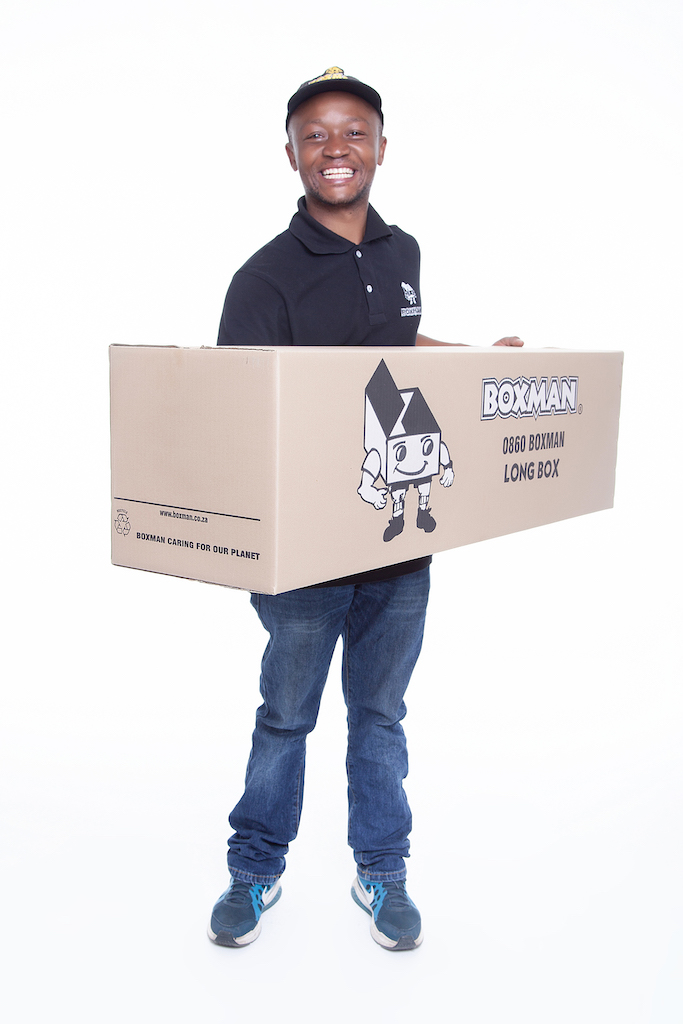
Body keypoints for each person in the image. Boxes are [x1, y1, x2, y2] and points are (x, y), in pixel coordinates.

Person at [209, 67, 522, 951]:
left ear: (382, 146)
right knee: (286, 717)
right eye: (314, 136)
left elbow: (394, 345)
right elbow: (238, 406)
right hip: (305, 556)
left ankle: (381, 870)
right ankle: (254, 868)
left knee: (380, 717)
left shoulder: (400, 250)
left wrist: (473, 359)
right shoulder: (263, 277)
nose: (335, 149)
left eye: (353, 132)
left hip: (399, 541)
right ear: (290, 156)